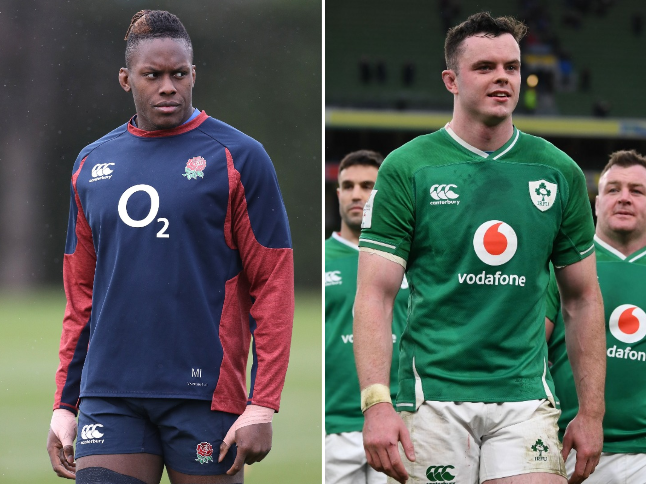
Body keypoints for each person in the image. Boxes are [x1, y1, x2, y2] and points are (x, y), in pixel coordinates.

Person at [353, 11, 606, 484]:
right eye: (485, 67)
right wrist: (377, 402)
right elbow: (375, 294)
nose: (502, 78)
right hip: (431, 398)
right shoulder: (407, 168)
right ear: (451, 79)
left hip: (526, 397)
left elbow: (583, 298)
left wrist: (591, 413)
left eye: (511, 67)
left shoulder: (559, 171)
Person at [46, 10, 293, 484]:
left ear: (194, 75)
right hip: (110, 395)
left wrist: (261, 404)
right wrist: (65, 402)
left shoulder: (239, 157)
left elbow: (274, 284)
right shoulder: (92, 163)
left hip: (204, 395)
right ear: (125, 79)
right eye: (152, 75)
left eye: (178, 74)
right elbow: (81, 296)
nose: (167, 86)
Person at [547, 150, 646, 483]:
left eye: (637, 191)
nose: (624, 198)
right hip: (569, 447)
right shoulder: (559, 265)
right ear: (596, 201)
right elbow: (527, 348)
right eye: (613, 189)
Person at [325, 150, 409, 484]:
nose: (357, 194)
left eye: (368, 185)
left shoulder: (410, 262)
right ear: (338, 193)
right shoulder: (322, 260)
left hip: (397, 422)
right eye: (348, 185)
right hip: (333, 426)